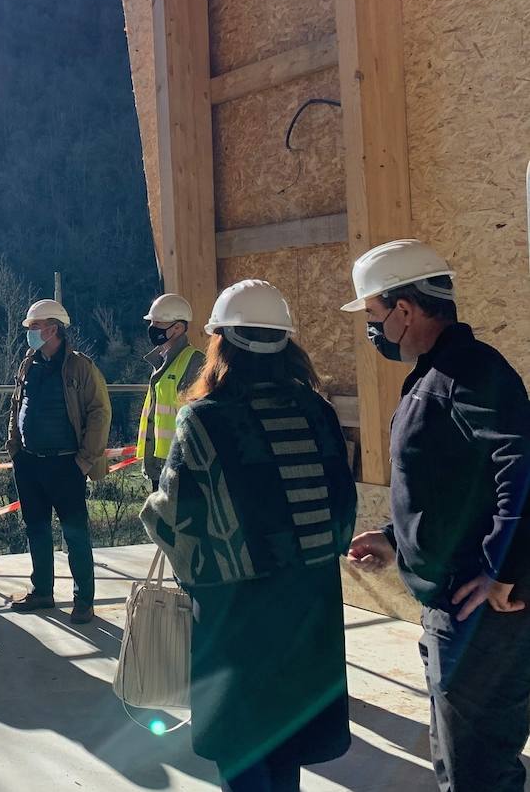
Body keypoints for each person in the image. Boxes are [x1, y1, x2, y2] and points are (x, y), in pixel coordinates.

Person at [142, 280, 356, 792]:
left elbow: (174, 518)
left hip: (236, 618)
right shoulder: (318, 411)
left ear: (221, 342)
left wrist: (153, 511)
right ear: (286, 344)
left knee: (242, 752)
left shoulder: (205, 419)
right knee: (286, 744)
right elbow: (343, 510)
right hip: (310, 609)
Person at [342, 239, 530, 792]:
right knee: (456, 760)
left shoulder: (470, 373)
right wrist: (396, 539)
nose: (372, 329)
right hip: (453, 609)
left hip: (482, 619)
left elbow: (522, 466)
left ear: (404, 310)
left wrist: (503, 567)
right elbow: (453, 488)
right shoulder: (437, 375)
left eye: (374, 315)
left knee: (478, 772)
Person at [5, 299, 111, 624]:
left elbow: (99, 412)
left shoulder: (81, 367)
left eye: (35, 327)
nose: (31, 333)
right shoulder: (27, 364)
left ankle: (84, 600)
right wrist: (15, 448)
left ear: (53, 329)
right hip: (30, 463)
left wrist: (84, 460)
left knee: (75, 535)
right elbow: (16, 405)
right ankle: (42, 592)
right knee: (35, 529)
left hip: (67, 464)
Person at [137, 293, 205, 491]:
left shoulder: (194, 362)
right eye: (152, 322)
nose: (153, 328)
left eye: (159, 323)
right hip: (160, 465)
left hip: (180, 466)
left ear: (178, 328)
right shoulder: (160, 362)